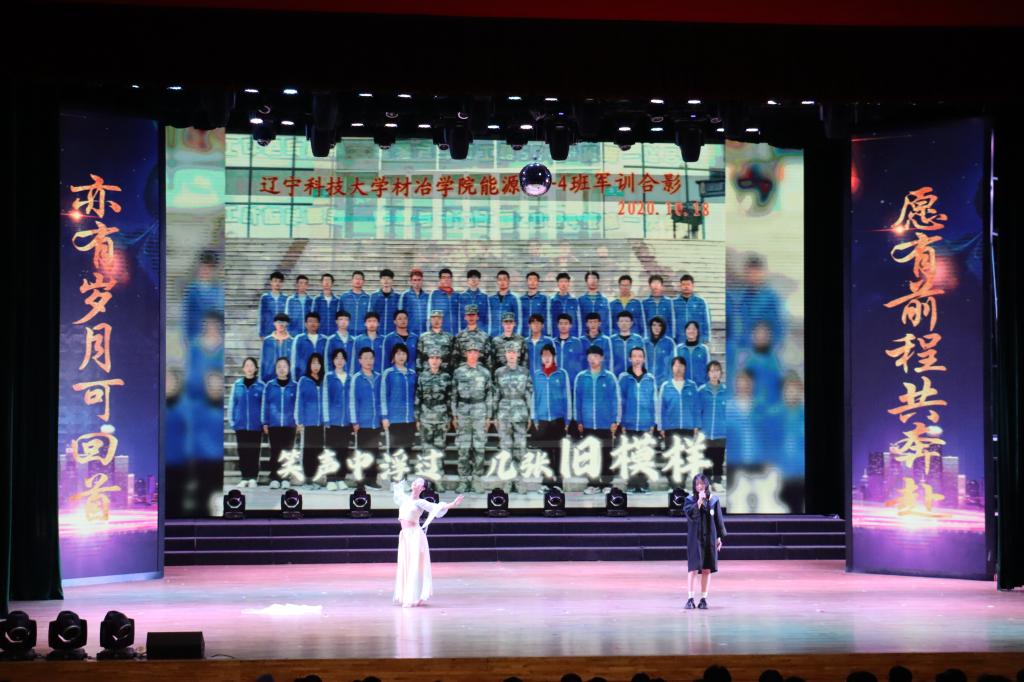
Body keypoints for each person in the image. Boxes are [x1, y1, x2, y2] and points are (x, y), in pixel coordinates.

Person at [392, 477, 464, 608]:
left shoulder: (420, 502)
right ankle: (407, 595)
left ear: (422, 488)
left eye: (418, 482)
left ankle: (413, 597)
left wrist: (453, 504)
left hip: (415, 536)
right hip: (405, 536)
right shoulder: (404, 499)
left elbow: (437, 507)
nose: (415, 483)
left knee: (414, 566)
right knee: (405, 564)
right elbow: (397, 490)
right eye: (414, 481)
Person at [573, 345, 620, 495]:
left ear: (602, 358)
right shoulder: (581, 377)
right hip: (587, 423)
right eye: (591, 356)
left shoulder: (609, 377)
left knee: (606, 454)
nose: (593, 359)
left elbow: (615, 399)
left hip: (605, 423)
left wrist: (615, 420)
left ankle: (607, 484)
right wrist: (579, 420)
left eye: (596, 356)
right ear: (587, 358)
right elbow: (577, 400)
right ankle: (592, 484)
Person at [451, 343, 493, 492]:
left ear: (479, 354)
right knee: (463, 448)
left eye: (475, 351)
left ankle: (477, 480)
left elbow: (489, 395)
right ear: (466, 354)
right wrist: (454, 415)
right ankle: (463, 481)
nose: (473, 354)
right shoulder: (458, 372)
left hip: (479, 410)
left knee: (479, 447)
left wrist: (489, 416)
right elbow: (453, 395)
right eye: (470, 351)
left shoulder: (485, 373)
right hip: (463, 411)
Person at [493, 342, 533, 492]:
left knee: (520, 448)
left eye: (514, 352)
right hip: (503, 412)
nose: (511, 355)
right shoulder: (499, 372)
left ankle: (519, 480)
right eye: (509, 352)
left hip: (520, 412)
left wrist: (530, 414)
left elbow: (529, 393)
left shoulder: (524, 372)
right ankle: (508, 481)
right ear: (505, 354)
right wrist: (494, 415)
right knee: (505, 448)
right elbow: (495, 394)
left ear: (518, 354)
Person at [683, 473, 726, 610]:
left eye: (702, 483)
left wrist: (719, 537)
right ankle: (690, 598)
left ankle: (703, 599)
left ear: (706, 484)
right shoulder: (689, 500)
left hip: (709, 537)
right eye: (697, 484)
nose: (700, 486)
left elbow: (718, 519)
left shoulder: (714, 500)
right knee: (693, 568)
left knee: (707, 568)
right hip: (695, 538)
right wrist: (699, 502)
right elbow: (690, 515)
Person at [618, 347, 658, 493]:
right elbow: (620, 400)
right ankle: (631, 483)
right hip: (629, 422)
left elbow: (654, 400)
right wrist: (621, 421)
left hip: (646, 422)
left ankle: (643, 483)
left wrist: (654, 422)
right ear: (630, 359)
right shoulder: (624, 377)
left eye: (640, 356)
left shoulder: (650, 378)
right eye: (634, 356)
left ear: (644, 359)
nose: (637, 359)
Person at [531, 344, 571, 490]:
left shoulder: (561, 374)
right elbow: (534, 397)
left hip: (558, 419)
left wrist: (568, 419)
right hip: (542, 419)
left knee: (558, 451)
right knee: (545, 452)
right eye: (544, 355)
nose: (546, 358)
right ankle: (547, 482)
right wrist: (534, 418)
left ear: (554, 357)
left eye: (549, 355)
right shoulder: (537, 375)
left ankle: (559, 483)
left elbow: (567, 396)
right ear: (541, 358)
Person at [262, 356, 298, 489]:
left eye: (284, 366)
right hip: (274, 424)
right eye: (279, 367)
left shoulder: (294, 386)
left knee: (288, 452)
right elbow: (265, 404)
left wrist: (298, 421)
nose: (282, 369)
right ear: (275, 369)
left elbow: (297, 405)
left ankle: (286, 478)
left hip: (290, 424)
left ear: (288, 369)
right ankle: (275, 478)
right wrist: (265, 422)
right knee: (275, 451)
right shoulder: (270, 386)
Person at [228, 357, 264, 488]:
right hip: (241, 425)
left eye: (251, 365)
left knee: (254, 452)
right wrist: (233, 421)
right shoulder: (237, 385)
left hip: (256, 425)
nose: (249, 368)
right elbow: (232, 404)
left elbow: (264, 406)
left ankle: (253, 477)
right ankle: (244, 477)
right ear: (243, 368)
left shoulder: (261, 386)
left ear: (255, 368)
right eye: (247, 365)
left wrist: (263, 422)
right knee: (243, 451)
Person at [350, 347, 383, 488]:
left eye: (371, 358)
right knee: (361, 452)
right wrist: (354, 421)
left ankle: (371, 479)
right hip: (362, 422)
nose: (369, 361)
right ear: (360, 360)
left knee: (374, 451)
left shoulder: (379, 377)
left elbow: (382, 398)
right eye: (365, 358)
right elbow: (353, 400)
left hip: (375, 421)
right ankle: (359, 480)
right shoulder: (357, 378)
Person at [415, 349, 453, 467]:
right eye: (432, 358)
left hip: (441, 417)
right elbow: (418, 397)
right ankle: (427, 473)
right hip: (425, 417)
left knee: (439, 447)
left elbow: (449, 398)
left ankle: (439, 471)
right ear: (428, 360)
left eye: (437, 358)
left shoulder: (446, 377)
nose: (434, 361)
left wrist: (449, 417)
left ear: (441, 361)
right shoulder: (422, 376)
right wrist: (417, 418)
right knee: (426, 447)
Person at [322, 348, 352, 491]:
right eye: (337, 358)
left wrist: (352, 419)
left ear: (345, 361)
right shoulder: (328, 377)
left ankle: (341, 478)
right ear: (333, 361)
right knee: (331, 451)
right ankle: (330, 479)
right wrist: (326, 418)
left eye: (342, 358)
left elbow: (352, 399)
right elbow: (325, 398)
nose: (339, 361)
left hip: (346, 421)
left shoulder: (350, 377)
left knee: (343, 451)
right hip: (332, 421)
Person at [295, 352, 326, 487]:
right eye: (313, 363)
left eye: (318, 363)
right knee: (308, 450)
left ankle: (317, 478)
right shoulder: (304, 380)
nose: (316, 366)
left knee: (319, 450)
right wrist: (299, 420)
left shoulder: (325, 380)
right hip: (308, 421)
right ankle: (308, 477)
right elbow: (299, 401)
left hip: (321, 422)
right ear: (309, 365)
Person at [381, 343, 417, 458]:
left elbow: (416, 396)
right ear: (393, 356)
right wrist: (385, 417)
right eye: (398, 354)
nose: (401, 356)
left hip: (410, 419)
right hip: (394, 419)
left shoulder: (412, 373)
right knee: (395, 452)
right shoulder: (388, 373)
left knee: (407, 452)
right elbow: (383, 396)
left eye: (403, 354)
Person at [658, 356, 700, 447]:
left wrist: (696, 426)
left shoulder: (692, 386)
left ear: (685, 368)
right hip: (670, 428)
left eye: (681, 366)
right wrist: (661, 427)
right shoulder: (665, 386)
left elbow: (696, 407)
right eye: (676, 366)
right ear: (672, 368)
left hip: (688, 428)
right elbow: (661, 408)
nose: (678, 368)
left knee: (686, 455)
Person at [698, 360, 727, 485]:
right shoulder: (702, 391)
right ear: (708, 373)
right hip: (706, 431)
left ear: (721, 373)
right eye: (712, 371)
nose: (714, 374)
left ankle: (717, 481)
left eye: (717, 371)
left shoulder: (726, 391)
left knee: (719, 459)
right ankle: (706, 482)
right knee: (706, 459)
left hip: (721, 432)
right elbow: (698, 411)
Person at [673, 274, 711, 347]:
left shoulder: (701, 302)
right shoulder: (674, 303)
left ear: (693, 286)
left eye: (688, 284)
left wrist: (706, 339)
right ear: (680, 286)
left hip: (697, 340)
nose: (686, 287)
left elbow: (706, 322)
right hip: (679, 340)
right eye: (683, 284)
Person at [290, 311, 327, 381]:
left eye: (315, 321)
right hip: (303, 378)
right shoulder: (299, 339)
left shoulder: (325, 340)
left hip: (321, 379)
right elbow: (294, 362)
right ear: (305, 324)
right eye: (310, 321)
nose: (313, 324)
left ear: (319, 324)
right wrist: (295, 381)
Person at [453, 303, 492, 369]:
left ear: (477, 317)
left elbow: (488, 358)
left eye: (473, 315)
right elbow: (455, 358)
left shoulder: (484, 336)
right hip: (463, 370)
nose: (471, 317)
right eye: (469, 315)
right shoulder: (459, 336)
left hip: (480, 370)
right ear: (465, 317)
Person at [417, 309, 454, 374]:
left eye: (439, 318)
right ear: (430, 320)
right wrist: (419, 371)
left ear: (442, 320)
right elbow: (419, 356)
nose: (436, 321)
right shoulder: (423, 337)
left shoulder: (449, 337)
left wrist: (451, 371)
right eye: (434, 318)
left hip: (444, 372)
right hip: (427, 372)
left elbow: (453, 356)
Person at [259, 313, 294, 383]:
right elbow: (263, 361)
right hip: (269, 378)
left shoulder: (292, 341)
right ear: (274, 323)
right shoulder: (267, 341)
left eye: (283, 322)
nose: (281, 325)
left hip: (287, 379)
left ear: (287, 324)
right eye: (278, 322)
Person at [609, 310, 645, 376]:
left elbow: (643, 360)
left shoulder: (638, 339)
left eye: (627, 321)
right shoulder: (611, 340)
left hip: (634, 376)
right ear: (617, 323)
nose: (624, 323)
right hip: (616, 376)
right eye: (621, 321)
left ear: (631, 323)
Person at [552, 313, 585, 381]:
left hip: (572, 380)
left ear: (570, 325)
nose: (563, 326)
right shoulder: (552, 343)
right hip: (555, 380)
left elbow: (581, 362)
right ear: (557, 325)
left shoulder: (577, 342)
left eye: (566, 323)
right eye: (561, 323)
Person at [644, 316, 676, 386]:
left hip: (664, 382)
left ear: (663, 327)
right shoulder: (644, 342)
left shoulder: (669, 343)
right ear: (650, 327)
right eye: (654, 325)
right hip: (647, 382)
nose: (656, 328)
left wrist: (669, 380)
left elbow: (674, 363)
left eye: (659, 325)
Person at [676, 321, 711, 386]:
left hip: (700, 386)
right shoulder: (678, 349)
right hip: (684, 386)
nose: (691, 331)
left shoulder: (704, 349)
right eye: (688, 329)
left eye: (694, 329)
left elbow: (709, 369)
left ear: (697, 332)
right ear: (685, 331)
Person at [610, 274, 645, 339]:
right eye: (623, 285)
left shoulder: (637, 304)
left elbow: (641, 324)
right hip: (617, 339)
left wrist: (640, 337)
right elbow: (610, 324)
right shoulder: (612, 304)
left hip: (634, 338)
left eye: (627, 285)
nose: (625, 288)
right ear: (619, 286)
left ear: (630, 286)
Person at [488, 270, 521, 335]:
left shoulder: (514, 299)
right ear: (497, 282)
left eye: (504, 279)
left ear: (509, 281)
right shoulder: (491, 299)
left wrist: (515, 336)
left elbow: (518, 320)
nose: (502, 282)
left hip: (508, 336)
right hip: (493, 336)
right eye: (500, 280)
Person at [578, 270, 611, 336]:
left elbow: (608, 321)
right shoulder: (580, 300)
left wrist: (607, 336)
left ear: (598, 281)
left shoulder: (604, 300)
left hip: (601, 336)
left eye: (594, 279)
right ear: (586, 282)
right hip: (585, 336)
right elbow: (578, 321)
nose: (592, 281)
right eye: (590, 279)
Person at [547, 272, 580, 337]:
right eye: (561, 282)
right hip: (556, 336)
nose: (563, 284)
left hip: (572, 336)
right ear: (557, 284)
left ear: (569, 283)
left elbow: (578, 321)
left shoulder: (574, 301)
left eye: (565, 281)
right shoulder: (552, 301)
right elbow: (548, 320)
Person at [427, 268, 459, 336]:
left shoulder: (457, 295)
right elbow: (429, 317)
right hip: (441, 336)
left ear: (451, 279)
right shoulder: (434, 295)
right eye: (443, 277)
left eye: (448, 277)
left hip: (456, 334)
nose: (446, 280)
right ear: (440, 280)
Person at [642, 274, 674, 340]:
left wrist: (670, 338)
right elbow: (643, 323)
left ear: (662, 286)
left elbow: (671, 322)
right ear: (649, 286)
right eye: (653, 283)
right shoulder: (644, 303)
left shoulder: (669, 302)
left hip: (665, 337)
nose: (656, 286)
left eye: (658, 283)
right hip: (650, 338)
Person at [399, 267, 430, 334]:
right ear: (411, 281)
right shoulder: (405, 296)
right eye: (414, 280)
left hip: (425, 333)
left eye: (419, 280)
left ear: (422, 281)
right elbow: (400, 316)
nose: (417, 283)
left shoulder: (427, 297)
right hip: (410, 333)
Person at [370, 268, 401, 336]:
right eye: (383, 278)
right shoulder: (373, 296)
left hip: (393, 334)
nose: (386, 281)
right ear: (380, 280)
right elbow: (370, 316)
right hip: (377, 334)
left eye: (388, 278)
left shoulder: (398, 297)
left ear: (392, 280)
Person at [341, 270, 372, 337]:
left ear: (363, 281)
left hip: (363, 333)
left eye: (360, 279)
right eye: (356, 278)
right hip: (347, 332)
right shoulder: (344, 296)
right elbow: (339, 315)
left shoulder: (368, 298)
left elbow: (369, 316)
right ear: (352, 281)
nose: (358, 280)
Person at [458, 269, 490, 333]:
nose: (473, 279)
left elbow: (486, 317)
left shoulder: (484, 296)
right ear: (467, 280)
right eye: (471, 277)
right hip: (465, 332)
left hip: (481, 332)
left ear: (479, 280)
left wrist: (485, 332)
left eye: (475, 277)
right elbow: (460, 316)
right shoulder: (462, 296)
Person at [258, 270, 287, 339]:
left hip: (282, 333)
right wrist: (261, 333)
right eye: (275, 281)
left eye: (280, 281)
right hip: (268, 332)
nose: (277, 283)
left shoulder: (285, 298)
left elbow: (287, 317)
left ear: (282, 283)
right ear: (271, 282)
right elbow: (261, 316)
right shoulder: (265, 298)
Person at [519, 271, 549, 337]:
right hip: (524, 335)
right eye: (530, 279)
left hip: (539, 335)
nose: (532, 282)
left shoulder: (544, 299)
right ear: (527, 282)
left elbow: (547, 318)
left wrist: (547, 333)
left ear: (538, 282)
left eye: (535, 280)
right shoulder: (520, 299)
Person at [325, 310, 355, 374]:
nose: (343, 322)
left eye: (346, 319)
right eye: (341, 319)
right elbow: (327, 360)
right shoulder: (331, 340)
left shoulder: (353, 340)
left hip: (350, 375)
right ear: (336, 321)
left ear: (349, 322)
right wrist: (330, 375)